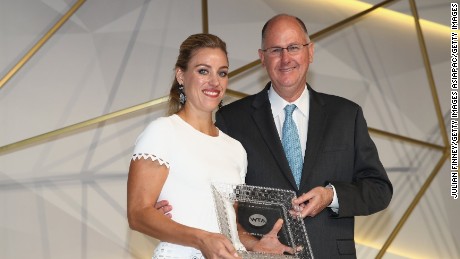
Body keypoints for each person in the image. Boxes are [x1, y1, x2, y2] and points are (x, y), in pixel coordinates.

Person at [213, 14, 393, 259]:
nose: (285, 58)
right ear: (262, 57)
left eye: (294, 47)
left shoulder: (346, 115)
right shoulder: (232, 119)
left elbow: (379, 189)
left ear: (310, 52)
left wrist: (331, 195)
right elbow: (218, 197)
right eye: (276, 50)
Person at [127, 33, 292, 259]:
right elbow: (138, 214)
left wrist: (255, 245)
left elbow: (229, 224)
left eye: (222, 73)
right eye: (203, 71)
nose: (214, 81)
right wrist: (201, 239)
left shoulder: (235, 149)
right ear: (181, 75)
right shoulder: (162, 132)